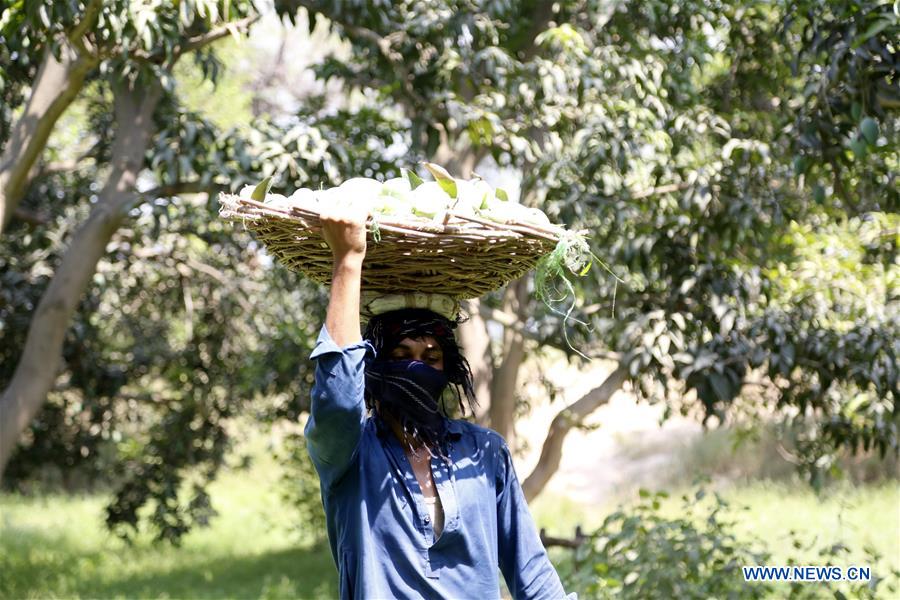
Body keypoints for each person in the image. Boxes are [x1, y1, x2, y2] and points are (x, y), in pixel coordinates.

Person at [305, 199, 574, 599]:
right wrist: (348, 260)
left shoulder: (484, 453)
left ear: (448, 370)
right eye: (401, 357)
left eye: (431, 358)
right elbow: (338, 400)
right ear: (376, 366)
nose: (417, 369)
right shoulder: (348, 456)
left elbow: (532, 574)